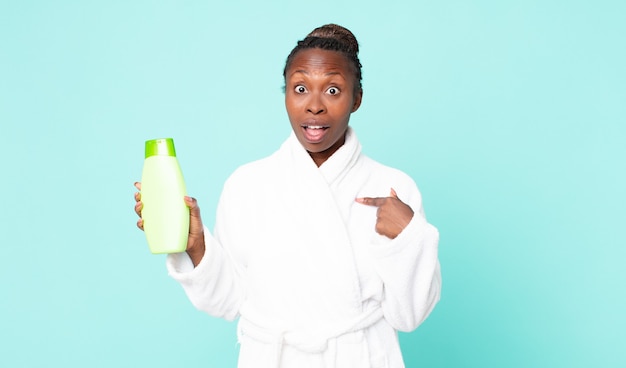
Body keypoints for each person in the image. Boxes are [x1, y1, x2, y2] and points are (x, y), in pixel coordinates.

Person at [134, 24, 441, 368]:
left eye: (333, 90)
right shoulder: (247, 184)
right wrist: (197, 247)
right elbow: (228, 301)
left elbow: (410, 316)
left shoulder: (392, 188)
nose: (314, 106)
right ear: (285, 95)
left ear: (357, 98)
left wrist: (408, 238)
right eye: (300, 88)